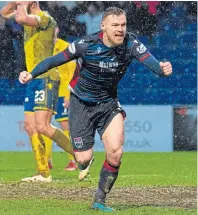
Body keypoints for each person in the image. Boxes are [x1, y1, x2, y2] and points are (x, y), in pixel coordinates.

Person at [19, 7, 172, 211]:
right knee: (82, 159)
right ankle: (84, 162)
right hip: (81, 104)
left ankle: (99, 200)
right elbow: (54, 60)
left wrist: (162, 69)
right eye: (115, 25)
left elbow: (152, 64)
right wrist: (32, 73)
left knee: (116, 152)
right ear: (103, 26)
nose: (120, 30)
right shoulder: (86, 44)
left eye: (123, 25)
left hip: (108, 103)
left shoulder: (131, 43)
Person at [0, 1, 81, 182]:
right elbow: (4, 13)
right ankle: (43, 173)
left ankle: (81, 157)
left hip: (47, 77)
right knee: (30, 127)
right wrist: (16, 2)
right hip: (32, 78)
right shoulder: (29, 17)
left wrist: (21, 4)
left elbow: (20, 17)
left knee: (43, 126)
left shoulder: (45, 19)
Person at [46, 30, 78, 171]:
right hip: (48, 89)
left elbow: (73, 72)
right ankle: (47, 160)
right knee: (44, 124)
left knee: (65, 125)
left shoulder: (66, 47)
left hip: (63, 92)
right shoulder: (44, 48)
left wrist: (69, 95)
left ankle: (74, 160)